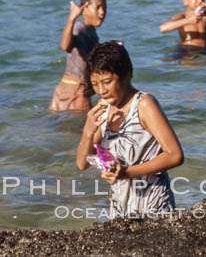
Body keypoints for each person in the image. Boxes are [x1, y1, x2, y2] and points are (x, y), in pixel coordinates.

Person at [76, 41, 183, 219]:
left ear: (127, 75)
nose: (101, 90)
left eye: (107, 82)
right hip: (119, 206)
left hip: (152, 203)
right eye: (95, 84)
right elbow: (82, 163)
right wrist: (88, 132)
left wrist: (126, 173)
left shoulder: (144, 104)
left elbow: (175, 155)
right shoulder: (103, 107)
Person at [49, 0, 107, 112]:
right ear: (84, 9)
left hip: (78, 90)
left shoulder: (91, 31)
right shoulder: (78, 29)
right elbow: (65, 46)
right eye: (98, 7)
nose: (102, 12)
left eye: (104, 8)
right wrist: (71, 18)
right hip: (74, 91)